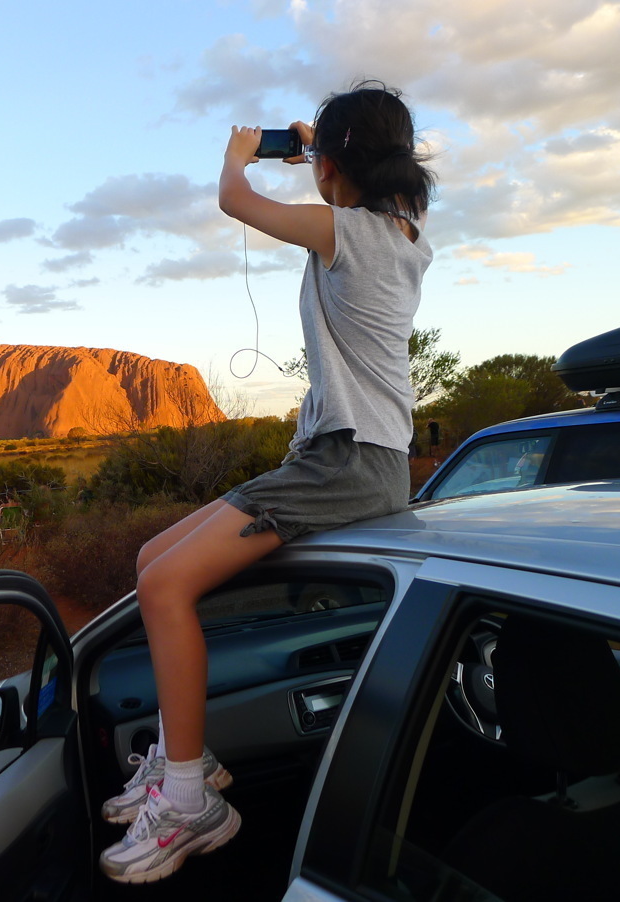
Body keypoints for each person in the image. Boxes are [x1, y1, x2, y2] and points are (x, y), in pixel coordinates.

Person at [99, 79, 436, 885]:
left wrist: (240, 156)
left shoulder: (343, 230)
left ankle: (189, 799)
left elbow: (233, 201)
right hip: (345, 455)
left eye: (322, 154)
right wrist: (318, 150)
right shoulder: (404, 230)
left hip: (348, 460)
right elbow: (350, 190)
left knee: (167, 584)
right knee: (154, 558)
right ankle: (185, 759)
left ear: (332, 166)